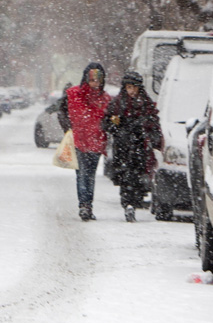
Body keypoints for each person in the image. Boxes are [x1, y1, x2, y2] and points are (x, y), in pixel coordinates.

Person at [103, 71, 163, 222]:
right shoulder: (117, 103)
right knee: (125, 176)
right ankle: (128, 204)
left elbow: (154, 123)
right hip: (123, 146)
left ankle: (133, 202)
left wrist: (151, 136)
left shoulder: (146, 103)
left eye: (134, 88)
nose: (132, 91)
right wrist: (117, 127)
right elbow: (107, 122)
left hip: (140, 147)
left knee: (137, 176)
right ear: (125, 87)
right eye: (129, 87)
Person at [57, 64, 110, 221]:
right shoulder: (73, 94)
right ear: (86, 78)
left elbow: (109, 117)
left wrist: (106, 126)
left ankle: (87, 205)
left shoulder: (105, 98)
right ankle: (84, 205)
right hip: (79, 140)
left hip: (96, 141)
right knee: (82, 174)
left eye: (97, 80)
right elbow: (62, 112)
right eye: (92, 80)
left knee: (90, 175)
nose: (95, 83)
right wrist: (69, 128)